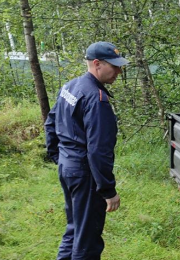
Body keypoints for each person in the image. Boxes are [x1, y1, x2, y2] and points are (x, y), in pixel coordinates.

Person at [44, 41, 127, 260]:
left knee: (74, 229)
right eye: (115, 66)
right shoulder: (96, 98)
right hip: (84, 174)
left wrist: (61, 158)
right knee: (87, 239)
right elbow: (99, 150)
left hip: (69, 168)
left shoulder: (70, 87)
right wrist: (108, 190)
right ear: (97, 64)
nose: (119, 71)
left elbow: (50, 124)